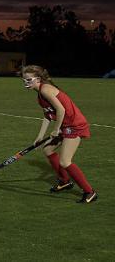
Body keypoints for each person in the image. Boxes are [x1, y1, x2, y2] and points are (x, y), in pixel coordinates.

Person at [22, 65, 97, 203]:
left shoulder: (45, 90)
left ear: (38, 79)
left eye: (28, 80)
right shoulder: (39, 94)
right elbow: (48, 116)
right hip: (65, 125)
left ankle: (89, 192)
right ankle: (64, 181)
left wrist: (56, 130)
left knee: (65, 161)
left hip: (74, 125)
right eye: (24, 80)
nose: (26, 83)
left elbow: (61, 110)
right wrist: (39, 136)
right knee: (47, 149)